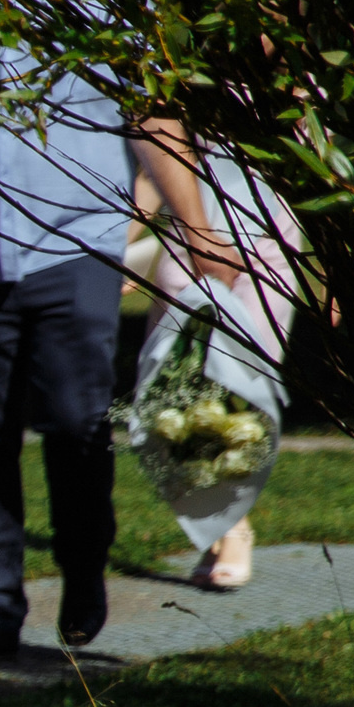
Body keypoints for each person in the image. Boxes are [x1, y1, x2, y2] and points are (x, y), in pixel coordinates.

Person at [0, 0, 241, 662]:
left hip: (77, 251)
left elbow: (154, 119)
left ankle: (82, 565)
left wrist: (197, 230)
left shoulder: (98, 11)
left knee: (77, 425)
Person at [130, 151, 300, 588]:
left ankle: (231, 526)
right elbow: (155, 168)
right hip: (188, 249)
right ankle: (220, 525)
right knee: (179, 397)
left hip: (268, 250)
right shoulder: (186, 89)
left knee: (245, 396)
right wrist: (123, 239)